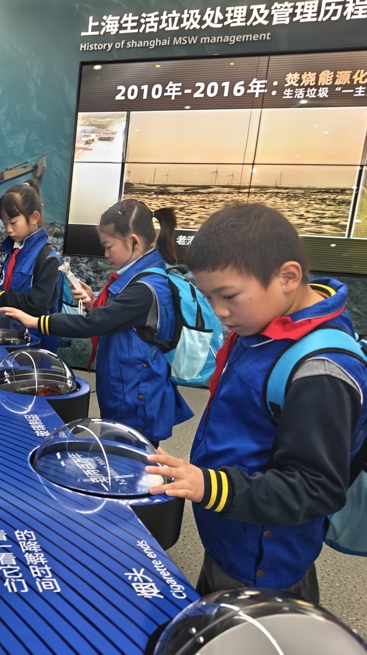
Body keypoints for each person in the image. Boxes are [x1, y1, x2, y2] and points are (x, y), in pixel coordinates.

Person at [145, 203, 367, 605]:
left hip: (263, 559)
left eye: (229, 296)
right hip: (232, 527)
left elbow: (315, 487)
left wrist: (209, 485)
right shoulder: (263, 324)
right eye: (209, 297)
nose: (219, 312)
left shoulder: (320, 370)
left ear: (287, 277)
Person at [0, 199, 192, 445]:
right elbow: (118, 319)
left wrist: (37, 322)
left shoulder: (145, 288)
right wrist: (93, 304)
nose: (106, 254)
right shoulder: (138, 278)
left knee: (131, 453)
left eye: (109, 246)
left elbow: (92, 324)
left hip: (137, 393)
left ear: (133, 241)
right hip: (127, 385)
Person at [0, 180, 60, 350]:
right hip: (8, 335)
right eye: (5, 224)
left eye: (13, 223)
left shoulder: (48, 259)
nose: (8, 230)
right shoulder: (13, 251)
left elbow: (37, 304)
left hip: (33, 343)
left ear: (34, 217)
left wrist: (1, 296)